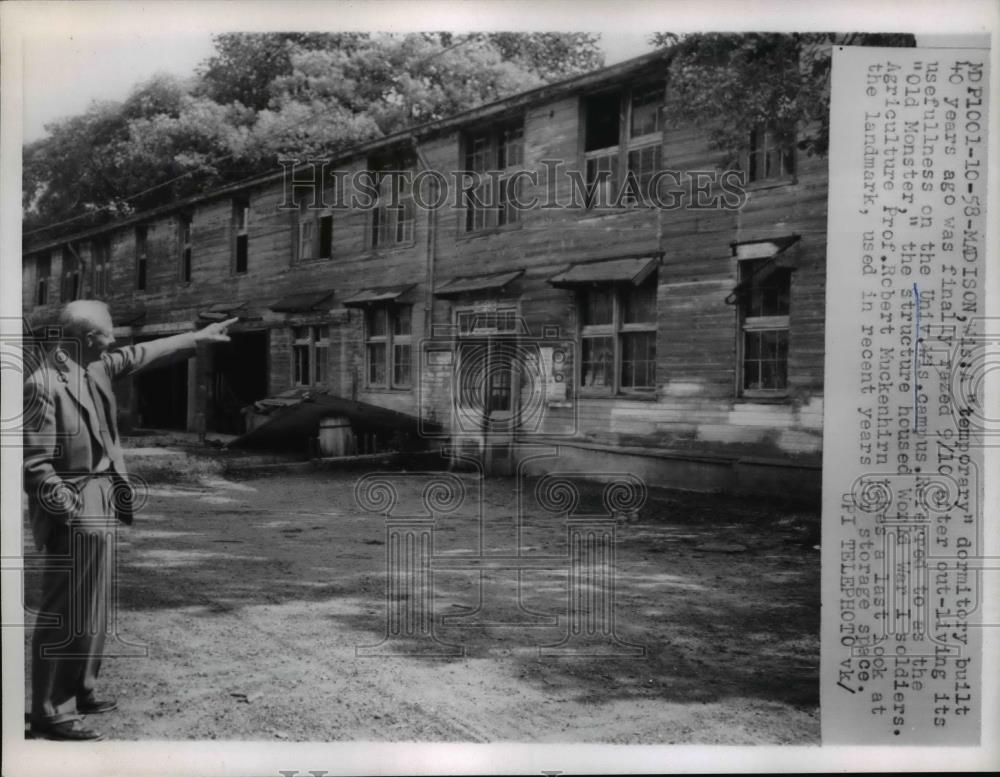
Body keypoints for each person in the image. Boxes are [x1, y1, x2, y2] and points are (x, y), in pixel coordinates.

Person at [22, 300, 237, 741]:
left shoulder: (94, 365)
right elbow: (35, 464)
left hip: (101, 495)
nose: (115, 340)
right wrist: (71, 511)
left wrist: (196, 338)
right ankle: (49, 709)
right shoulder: (42, 384)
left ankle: (80, 690)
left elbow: (141, 355)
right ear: (84, 339)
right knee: (66, 609)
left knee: (94, 605)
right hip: (75, 504)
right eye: (107, 333)